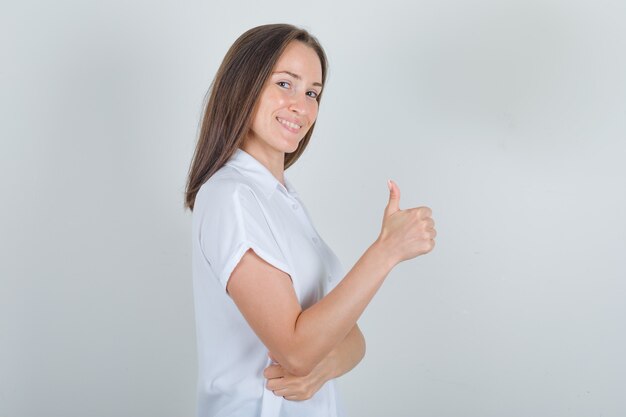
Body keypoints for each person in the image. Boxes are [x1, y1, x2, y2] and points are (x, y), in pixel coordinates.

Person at [184, 23, 436, 417]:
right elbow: (298, 349)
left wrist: (324, 367)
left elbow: (351, 339)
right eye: (285, 84)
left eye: (312, 93)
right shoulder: (232, 196)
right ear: (243, 86)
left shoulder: (281, 201)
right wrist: (387, 250)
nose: (301, 106)